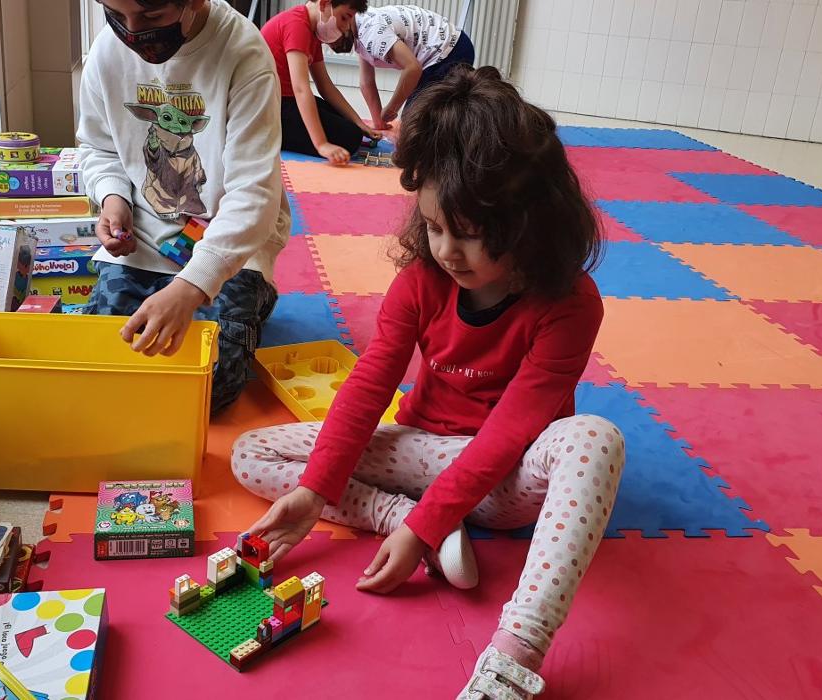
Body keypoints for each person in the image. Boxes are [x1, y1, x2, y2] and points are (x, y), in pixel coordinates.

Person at [232, 66, 626, 699]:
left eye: (467, 236)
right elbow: (370, 382)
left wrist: (426, 530)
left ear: (530, 225)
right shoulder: (423, 277)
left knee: (596, 440)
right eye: (434, 226)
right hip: (415, 454)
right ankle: (395, 514)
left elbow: (511, 433)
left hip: (507, 476)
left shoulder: (570, 303)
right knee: (250, 452)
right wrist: (317, 494)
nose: (445, 250)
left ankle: (514, 652)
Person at [77, 0, 291, 414]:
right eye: (117, 16)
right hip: (146, 233)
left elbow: (253, 193)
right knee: (106, 362)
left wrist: (192, 287)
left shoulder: (243, 53)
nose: (132, 33)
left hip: (232, 238)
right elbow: (98, 146)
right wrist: (114, 198)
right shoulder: (106, 52)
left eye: (152, 17)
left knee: (208, 389)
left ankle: (255, 296)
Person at [260, 0, 380, 165]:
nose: (346, 28)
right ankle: (271, 136)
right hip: (270, 108)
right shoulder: (297, 25)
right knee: (350, 137)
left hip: (286, 100)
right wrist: (321, 144)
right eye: (345, 18)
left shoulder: (311, 31)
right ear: (324, 4)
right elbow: (301, 88)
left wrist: (359, 123)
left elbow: (325, 86)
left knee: (349, 124)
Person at [331, 4, 475, 130]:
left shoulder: (370, 32)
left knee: (415, 122)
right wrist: (378, 122)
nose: (330, 43)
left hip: (450, 49)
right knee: (417, 119)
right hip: (445, 48)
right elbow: (366, 82)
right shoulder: (359, 28)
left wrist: (392, 108)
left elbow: (412, 68)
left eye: (332, 36)